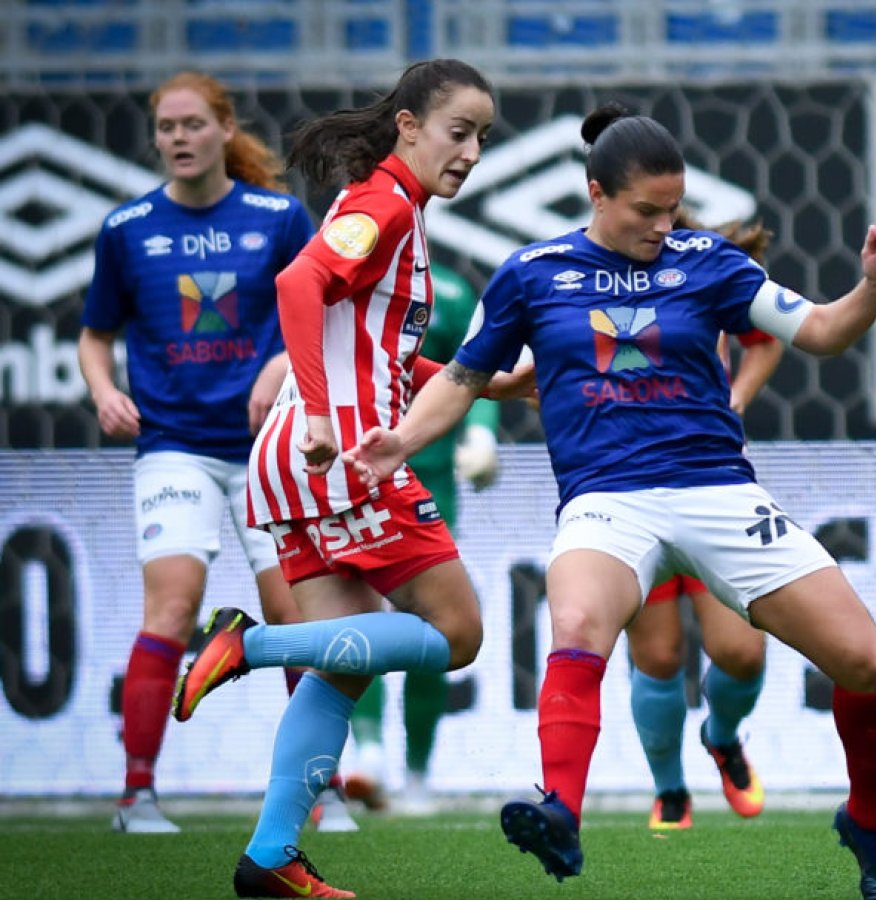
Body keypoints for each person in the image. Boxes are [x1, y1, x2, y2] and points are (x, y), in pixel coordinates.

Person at [345, 104, 876, 900]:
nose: (662, 225)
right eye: (645, 210)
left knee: (871, 663)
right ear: (595, 194)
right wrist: (401, 443)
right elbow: (462, 379)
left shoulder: (711, 263)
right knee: (578, 625)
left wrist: (873, 286)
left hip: (718, 490)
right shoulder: (532, 273)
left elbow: (820, 332)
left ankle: (868, 821)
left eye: (672, 209)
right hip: (606, 499)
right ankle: (561, 812)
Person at [167, 59, 530, 899]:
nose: (472, 151)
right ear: (407, 126)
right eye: (458, 130)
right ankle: (249, 645)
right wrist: (328, 416)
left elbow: (374, 348)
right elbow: (299, 284)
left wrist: (487, 380)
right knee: (460, 635)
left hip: (296, 461)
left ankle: (269, 858)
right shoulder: (386, 202)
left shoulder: (391, 206)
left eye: (483, 137)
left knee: (341, 668)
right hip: (347, 456)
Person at [76, 70, 360, 834]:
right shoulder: (126, 229)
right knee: (170, 609)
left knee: (296, 615)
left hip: (269, 449)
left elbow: (322, 309)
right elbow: (94, 334)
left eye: (193, 124)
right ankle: (136, 795)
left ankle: (319, 789)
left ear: (225, 128)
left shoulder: (277, 216)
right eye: (166, 127)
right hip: (174, 448)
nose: (178, 138)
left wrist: (277, 367)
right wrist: (103, 389)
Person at [627, 215, 784, 831]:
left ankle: (723, 738)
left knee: (741, 650)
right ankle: (670, 791)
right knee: (660, 657)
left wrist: (736, 399)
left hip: (709, 481)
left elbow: (766, 340)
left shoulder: (703, 269)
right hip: (629, 487)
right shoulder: (586, 278)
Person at [341, 261, 503, 817]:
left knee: (429, 622)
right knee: (358, 613)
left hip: (425, 474)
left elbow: (472, 371)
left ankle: (415, 775)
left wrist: (482, 434)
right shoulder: (338, 272)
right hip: (349, 466)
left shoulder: (450, 292)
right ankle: (368, 755)